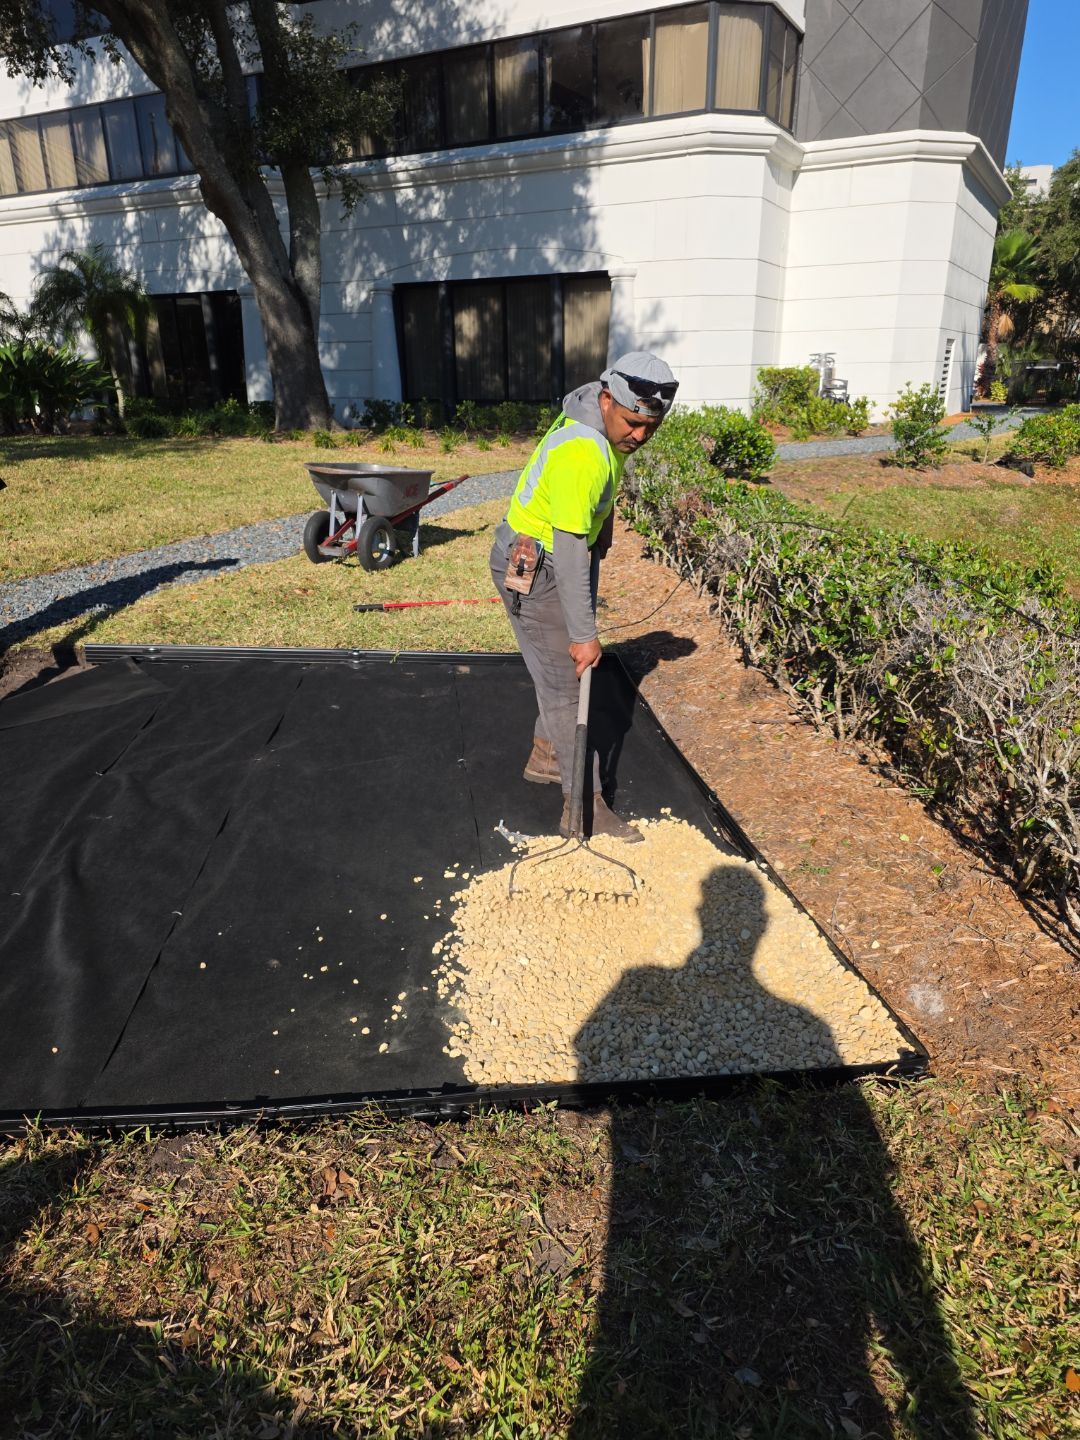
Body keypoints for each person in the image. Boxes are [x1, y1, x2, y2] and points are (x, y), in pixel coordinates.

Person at [490, 351, 678, 842]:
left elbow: (597, 505)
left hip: (551, 552)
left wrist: (605, 536)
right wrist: (584, 635)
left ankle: (547, 757)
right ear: (608, 397)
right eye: (633, 423)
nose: (639, 435)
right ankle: (582, 810)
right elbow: (570, 551)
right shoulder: (583, 450)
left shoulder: (598, 418)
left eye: (650, 428)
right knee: (568, 685)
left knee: (556, 674)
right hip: (541, 566)